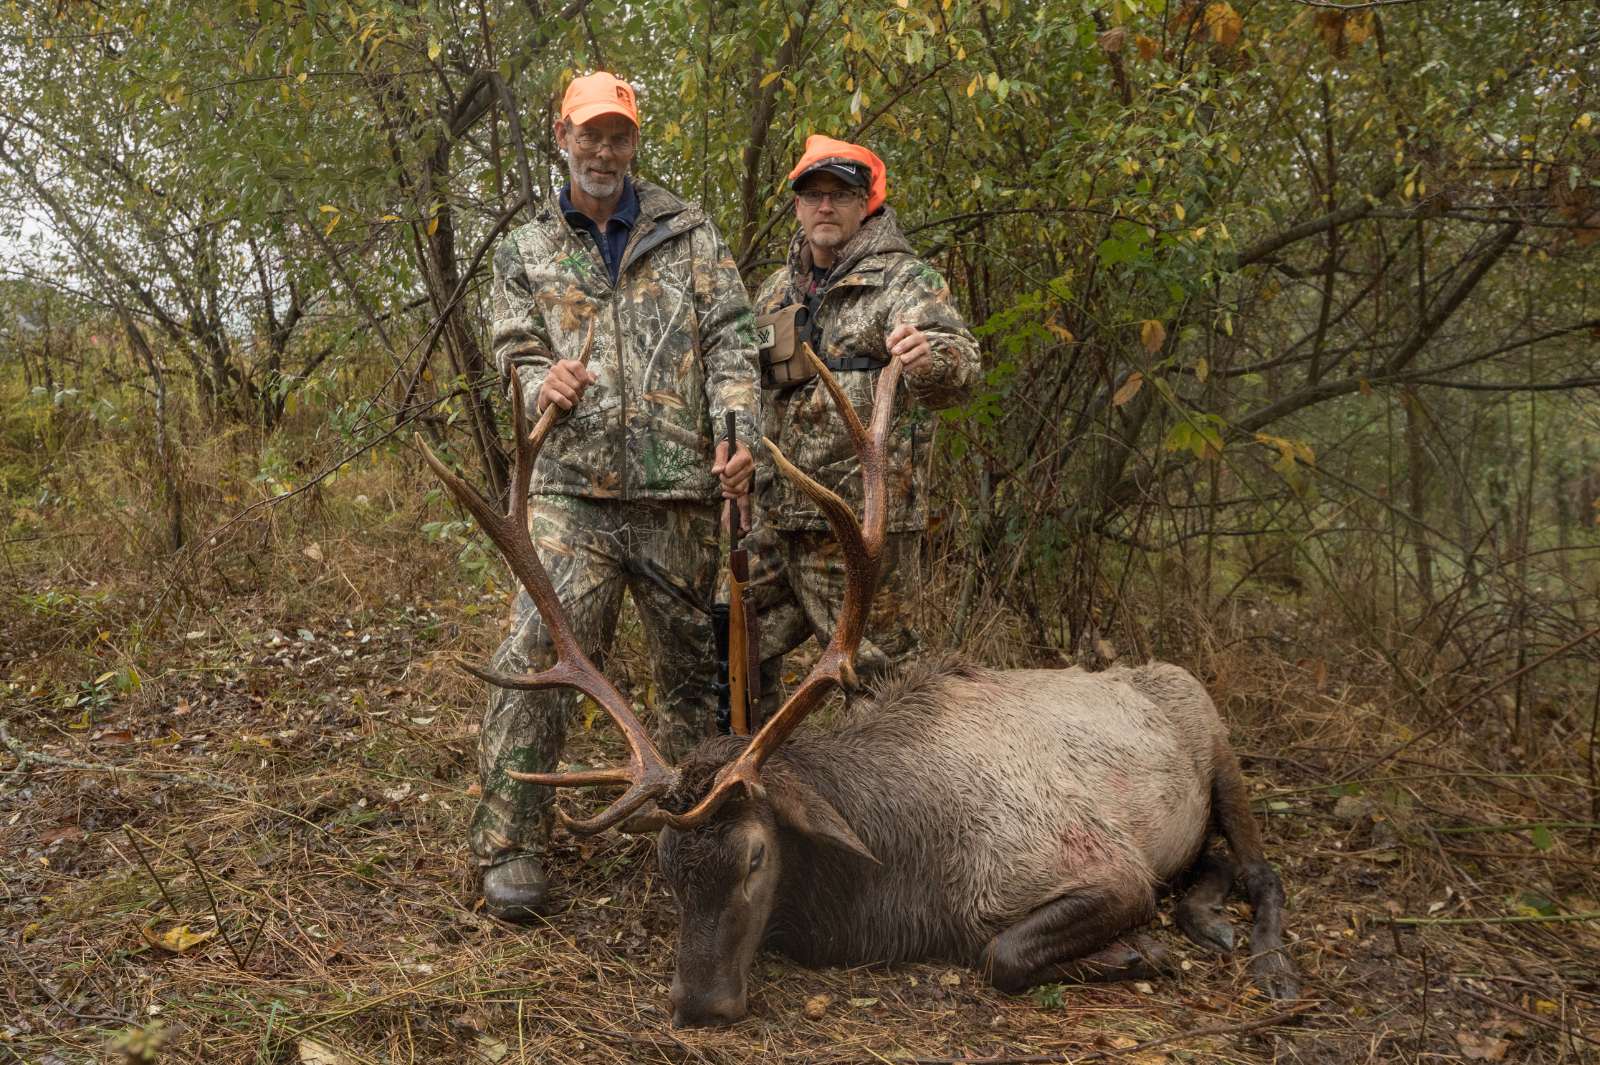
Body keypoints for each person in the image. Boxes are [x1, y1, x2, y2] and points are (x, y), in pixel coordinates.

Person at [477, 71, 760, 920]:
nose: (604, 151)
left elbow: (734, 340)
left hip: (679, 493)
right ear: (560, 135)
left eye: (619, 136)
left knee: (686, 683)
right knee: (537, 661)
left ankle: (690, 850)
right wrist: (539, 383)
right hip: (572, 493)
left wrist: (737, 429)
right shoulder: (525, 246)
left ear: (635, 144)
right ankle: (511, 846)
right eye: (588, 134)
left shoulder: (689, 231)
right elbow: (511, 349)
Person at [748, 135, 979, 716]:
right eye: (812, 195)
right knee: (727, 646)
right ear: (798, 206)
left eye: (841, 195)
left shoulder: (905, 281)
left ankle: (903, 807)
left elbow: (961, 364)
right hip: (777, 519)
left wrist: (931, 359)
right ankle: (755, 785)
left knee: (879, 690)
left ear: (866, 203)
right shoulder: (775, 290)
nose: (825, 207)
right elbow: (742, 381)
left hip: (859, 528)